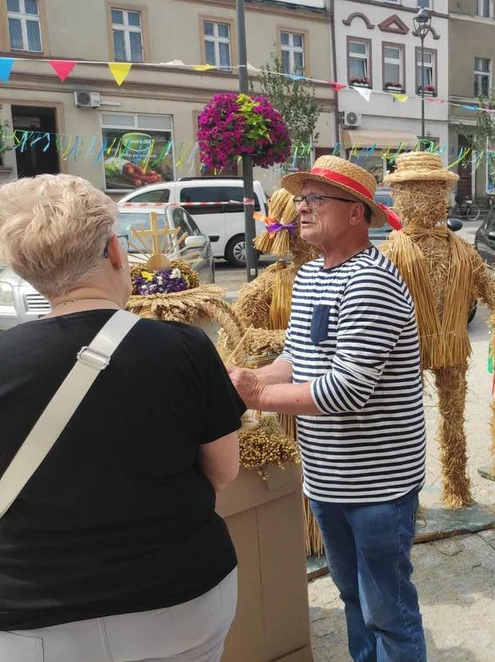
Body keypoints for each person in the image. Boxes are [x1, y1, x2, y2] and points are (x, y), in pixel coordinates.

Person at [0, 174, 243, 662]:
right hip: (178, 601)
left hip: (33, 620)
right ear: (114, 252)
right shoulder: (184, 348)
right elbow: (224, 471)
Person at [228, 156, 427, 662]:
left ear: (357, 213)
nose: (303, 209)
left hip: (378, 485)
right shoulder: (315, 274)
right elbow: (298, 358)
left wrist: (256, 396)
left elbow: (345, 390)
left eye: (317, 199)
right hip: (328, 479)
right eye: (302, 199)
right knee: (354, 600)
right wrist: (242, 381)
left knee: (389, 610)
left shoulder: (371, 281)